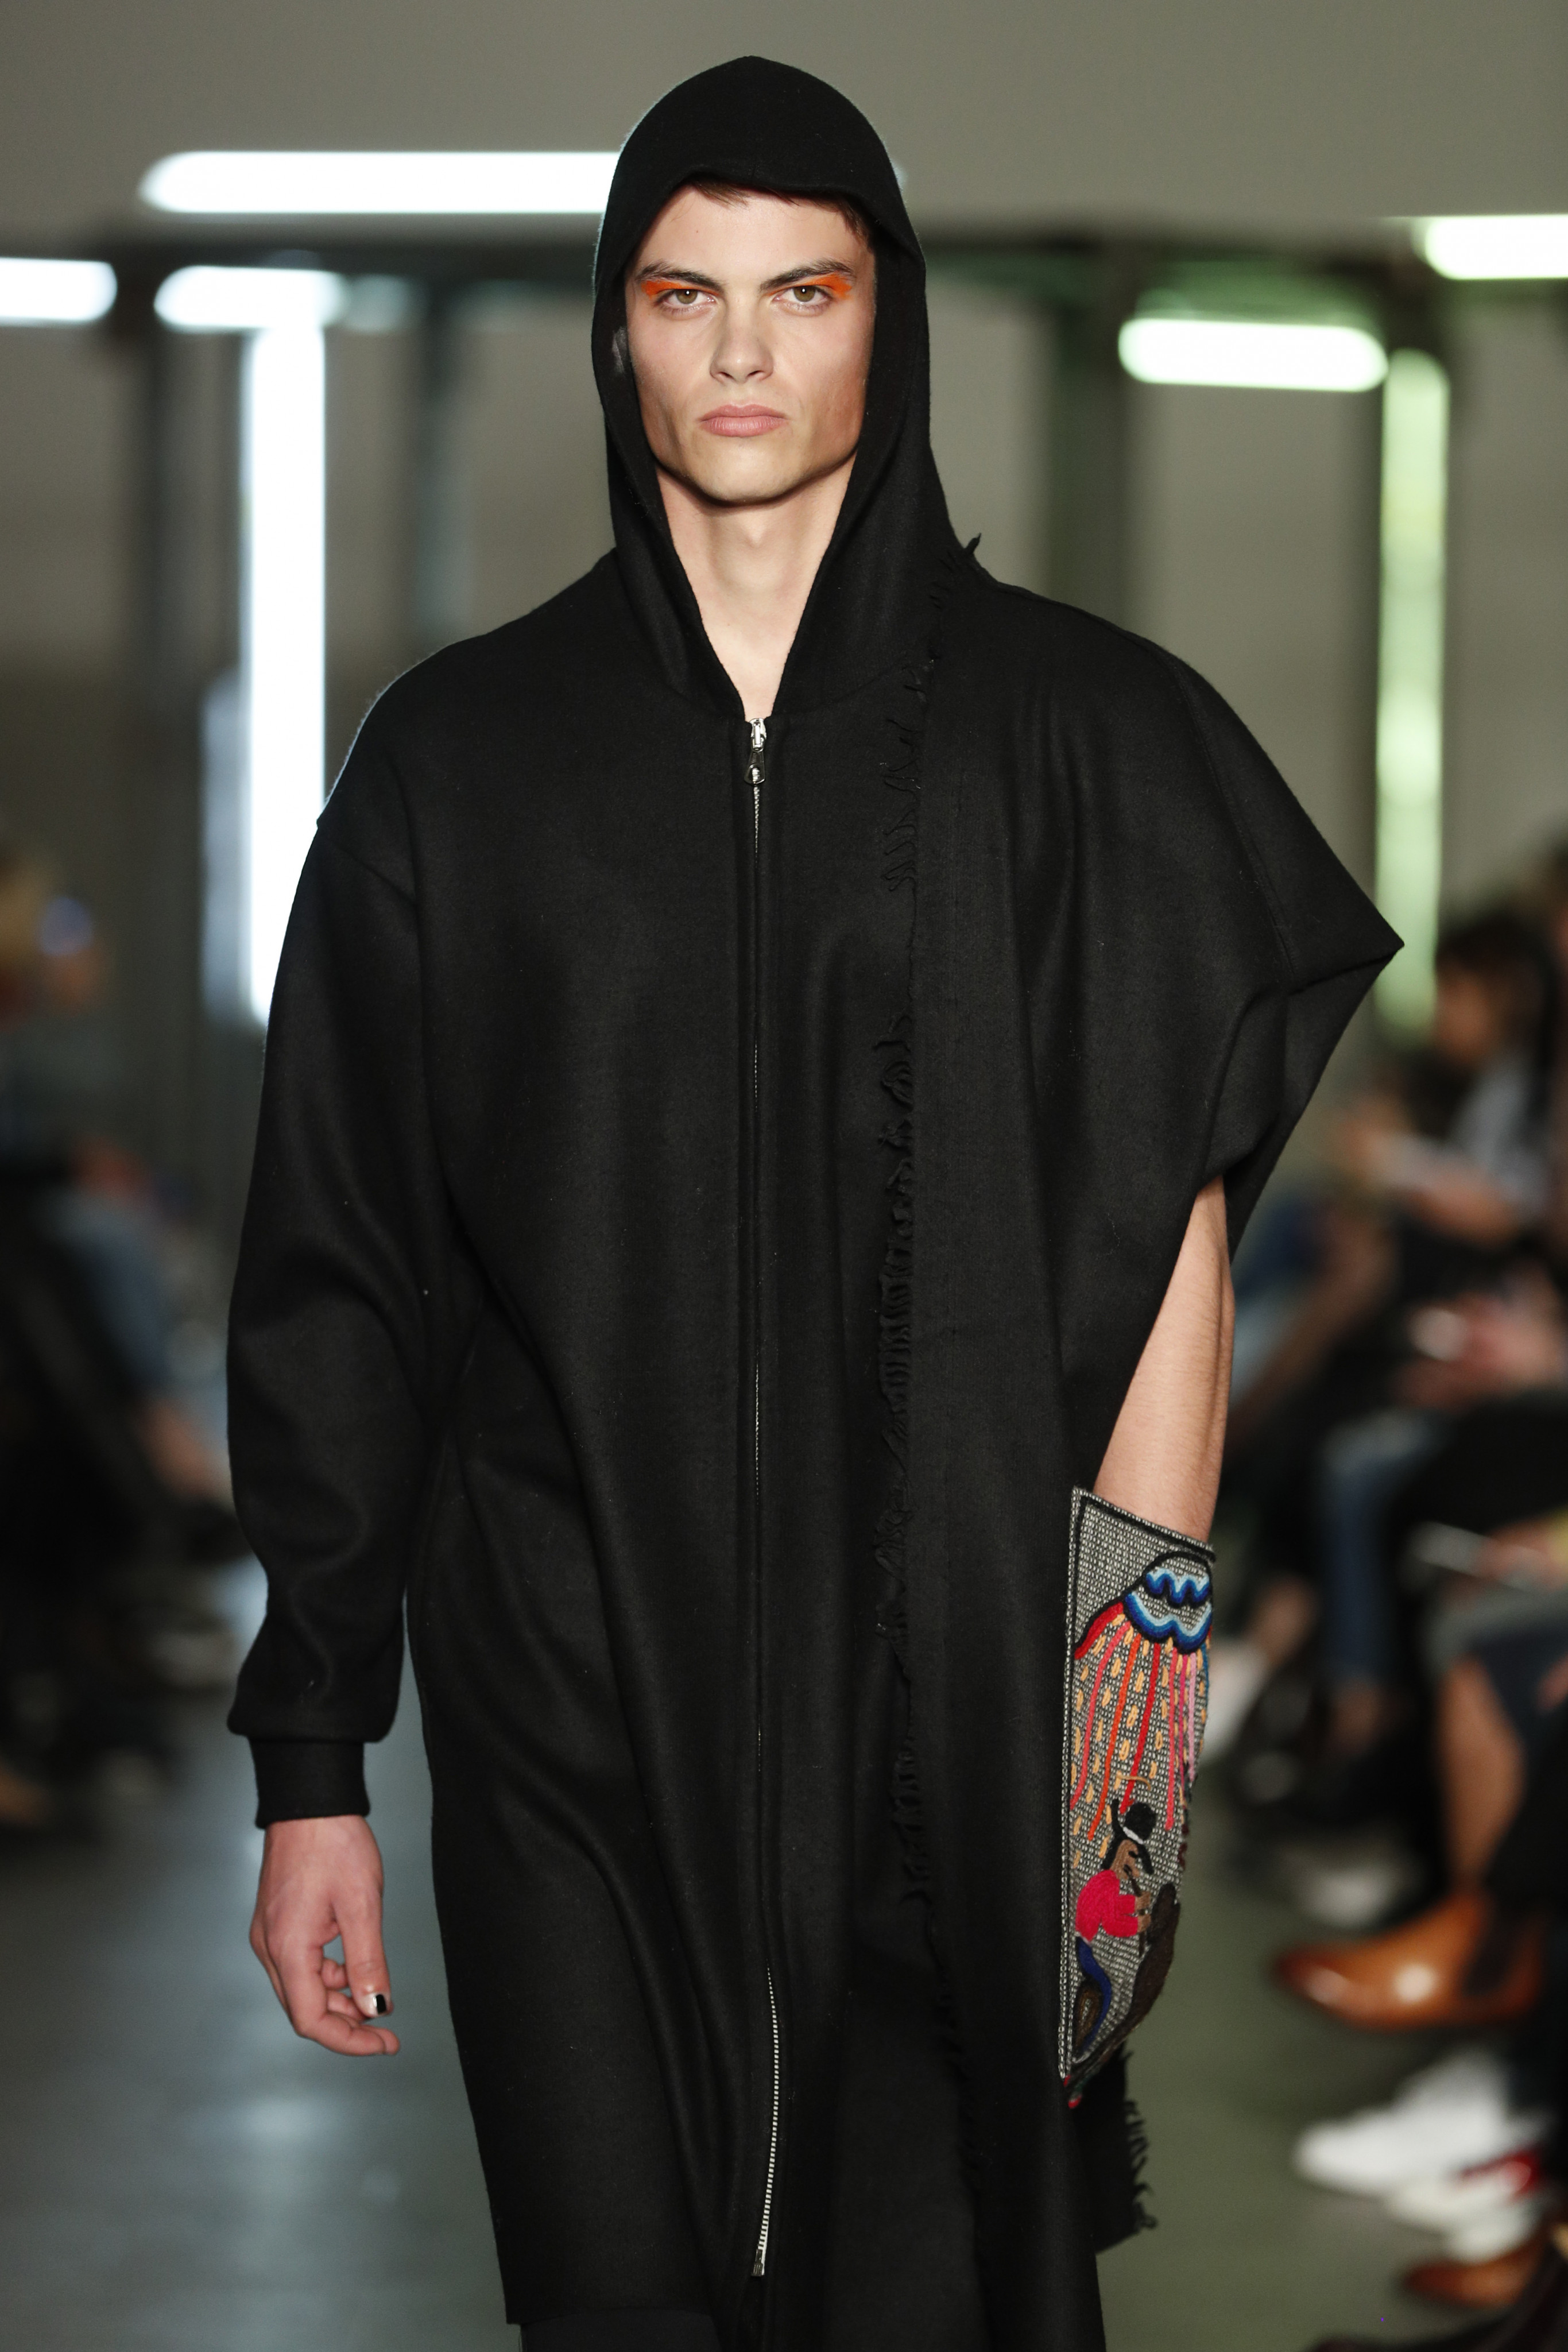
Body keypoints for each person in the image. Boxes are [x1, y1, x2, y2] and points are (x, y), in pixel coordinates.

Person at [227, 56, 1394, 2352]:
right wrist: (311, 1764)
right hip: (560, 1700)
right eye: (686, 293)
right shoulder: (462, 762)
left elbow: (1166, 1263)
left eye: (804, 290)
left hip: (957, 1725)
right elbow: (343, 1267)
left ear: (891, 320)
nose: (743, 350)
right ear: (616, 328)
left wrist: (1125, 1758)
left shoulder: (1085, 741)